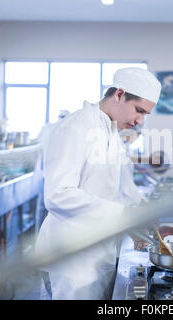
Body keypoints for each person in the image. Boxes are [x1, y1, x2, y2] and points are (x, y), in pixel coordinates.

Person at [35, 67, 161, 299]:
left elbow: (115, 190)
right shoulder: (76, 127)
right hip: (70, 256)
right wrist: (123, 214)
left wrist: (137, 220)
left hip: (98, 248)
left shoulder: (112, 131)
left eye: (146, 115)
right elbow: (58, 195)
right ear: (119, 94)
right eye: (139, 110)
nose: (140, 121)